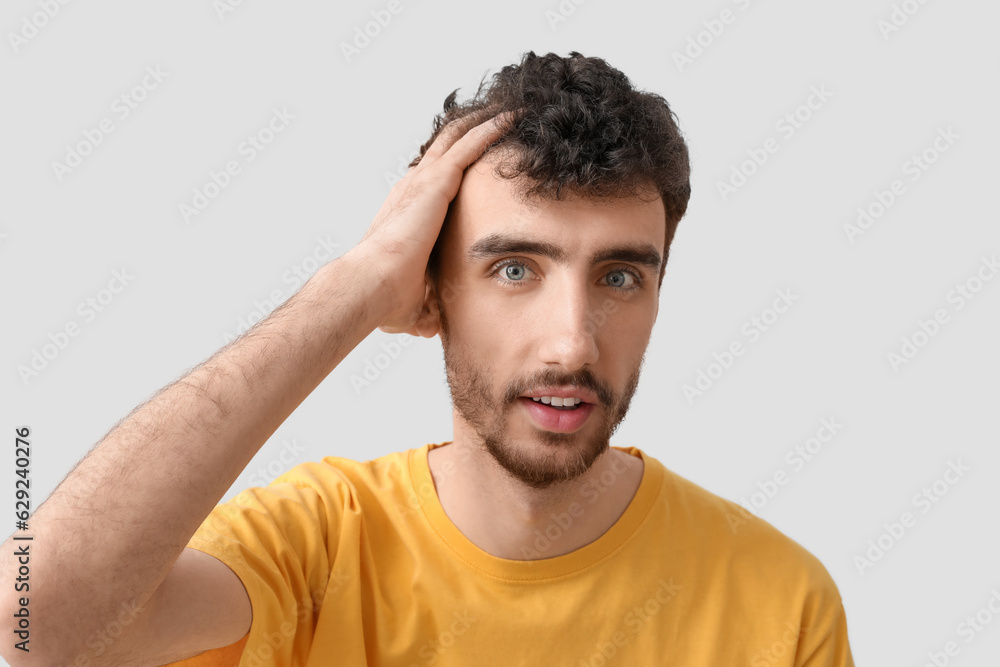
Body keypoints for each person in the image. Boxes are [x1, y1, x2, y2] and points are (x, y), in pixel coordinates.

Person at [0, 51, 854, 666]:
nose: (572, 341)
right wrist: (354, 286)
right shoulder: (313, 549)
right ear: (432, 288)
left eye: (621, 274)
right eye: (513, 268)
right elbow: (32, 624)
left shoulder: (778, 604)